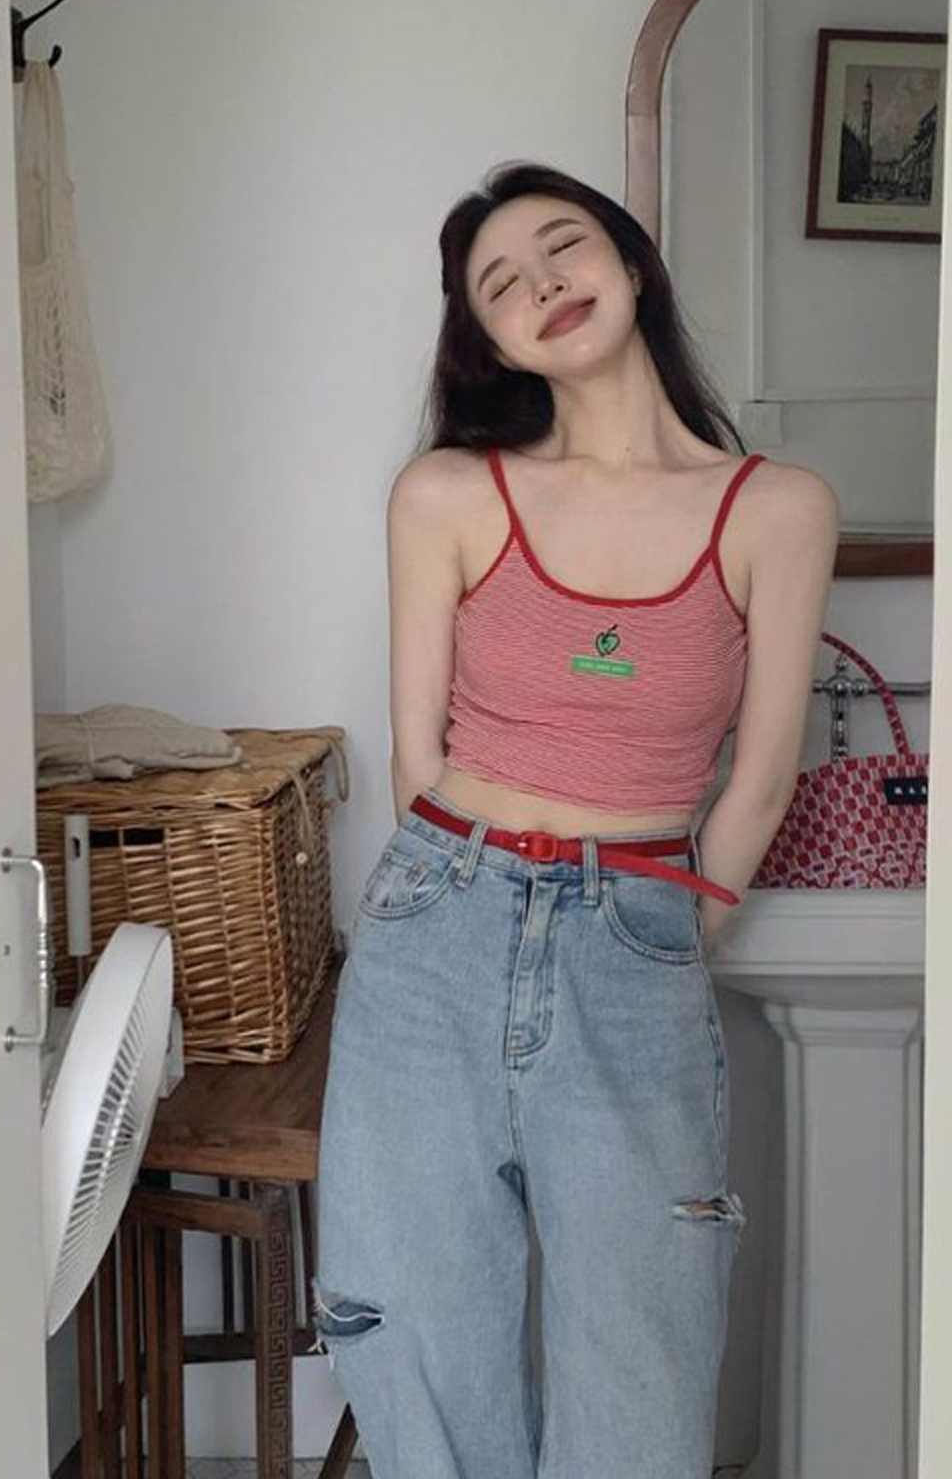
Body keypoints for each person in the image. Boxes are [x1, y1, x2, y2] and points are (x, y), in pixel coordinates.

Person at [311, 161, 839, 1478]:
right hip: (438, 923)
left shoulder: (776, 508)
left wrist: (667, 931)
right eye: (502, 283)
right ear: (488, 341)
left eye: (565, 246)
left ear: (631, 263)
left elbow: (761, 776)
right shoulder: (446, 493)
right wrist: (471, 893)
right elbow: (416, 755)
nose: (543, 283)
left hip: (637, 926)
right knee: (413, 1319)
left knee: (644, 1338)